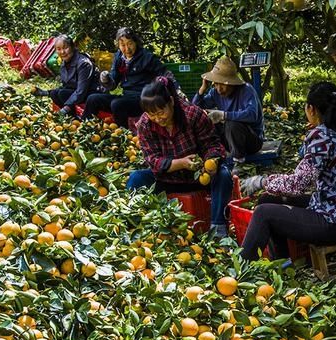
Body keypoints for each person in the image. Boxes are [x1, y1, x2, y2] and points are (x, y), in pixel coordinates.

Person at [239, 82, 336, 261]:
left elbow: (297, 184)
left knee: (263, 213)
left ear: (311, 109)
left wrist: (261, 181)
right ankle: (283, 263)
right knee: (267, 198)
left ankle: (240, 273)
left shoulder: (322, 137)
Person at [126, 75, 233, 237]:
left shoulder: (193, 115)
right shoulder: (145, 125)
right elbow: (153, 160)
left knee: (224, 174)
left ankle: (218, 228)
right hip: (168, 179)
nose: (157, 118)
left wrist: (211, 161)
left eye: (161, 112)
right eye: (151, 114)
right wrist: (181, 163)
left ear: (171, 102)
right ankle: (135, 225)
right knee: (136, 179)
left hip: (199, 177)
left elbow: (212, 145)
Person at [82, 28, 171, 128]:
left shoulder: (146, 57)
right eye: (123, 45)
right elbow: (113, 85)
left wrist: (177, 91)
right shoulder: (119, 57)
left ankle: (123, 135)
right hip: (126, 97)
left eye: (130, 44)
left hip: (142, 99)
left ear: (136, 42)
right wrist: (105, 79)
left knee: (117, 104)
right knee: (93, 99)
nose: (127, 49)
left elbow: (165, 74)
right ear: (118, 45)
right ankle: (85, 129)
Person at [192, 56, 264, 163]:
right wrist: (202, 90)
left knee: (232, 123)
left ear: (232, 83)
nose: (219, 89)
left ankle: (239, 161)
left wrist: (224, 115)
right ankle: (213, 153)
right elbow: (195, 110)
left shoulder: (246, 90)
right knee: (206, 121)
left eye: (222, 85)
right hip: (229, 140)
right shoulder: (215, 92)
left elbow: (252, 115)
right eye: (216, 84)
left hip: (251, 141)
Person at [32, 34, 100, 116]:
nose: (62, 52)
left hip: (91, 94)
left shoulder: (83, 63)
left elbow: (81, 90)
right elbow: (66, 85)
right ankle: (72, 118)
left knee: (63, 93)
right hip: (77, 92)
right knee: (56, 93)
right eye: (58, 49)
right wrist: (47, 93)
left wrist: (66, 108)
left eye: (65, 48)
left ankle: (71, 116)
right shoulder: (65, 63)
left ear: (72, 47)